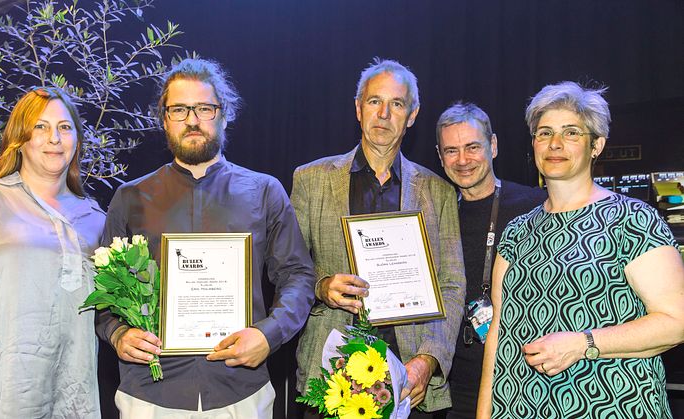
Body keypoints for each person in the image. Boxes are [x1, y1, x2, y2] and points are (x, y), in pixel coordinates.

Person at [94, 57, 316, 418]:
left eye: (204, 108)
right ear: (164, 119)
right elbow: (103, 294)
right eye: (179, 109)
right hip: (150, 394)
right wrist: (118, 334)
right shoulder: (131, 197)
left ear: (224, 115)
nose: (193, 120)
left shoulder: (264, 191)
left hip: (240, 392)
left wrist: (269, 334)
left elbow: (298, 276)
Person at [476, 81, 684, 418]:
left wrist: (583, 343)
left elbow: (677, 322)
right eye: (544, 133)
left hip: (611, 406)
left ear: (596, 145)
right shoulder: (516, 232)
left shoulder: (631, 219)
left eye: (571, 132)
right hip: (520, 407)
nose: (554, 144)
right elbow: (497, 334)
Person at [293, 58, 466, 416]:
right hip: (330, 371)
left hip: (409, 375)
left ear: (412, 115)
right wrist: (322, 287)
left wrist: (428, 360)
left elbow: (451, 285)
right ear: (358, 109)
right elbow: (290, 271)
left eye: (397, 104)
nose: (384, 114)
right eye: (375, 101)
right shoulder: (311, 180)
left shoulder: (438, 192)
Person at [0, 87, 104, 418]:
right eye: (40, 127)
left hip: (71, 403)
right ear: (20, 139)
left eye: (64, 127)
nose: (54, 138)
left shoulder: (95, 220)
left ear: (77, 141)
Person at [434, 102, 546, 419]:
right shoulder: (435, 214)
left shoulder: (536, 206)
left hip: (522, 382)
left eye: (472, 147)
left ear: (493, 146)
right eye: (451, 151)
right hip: (453, 390)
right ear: (440, 157)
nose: (463, 160)